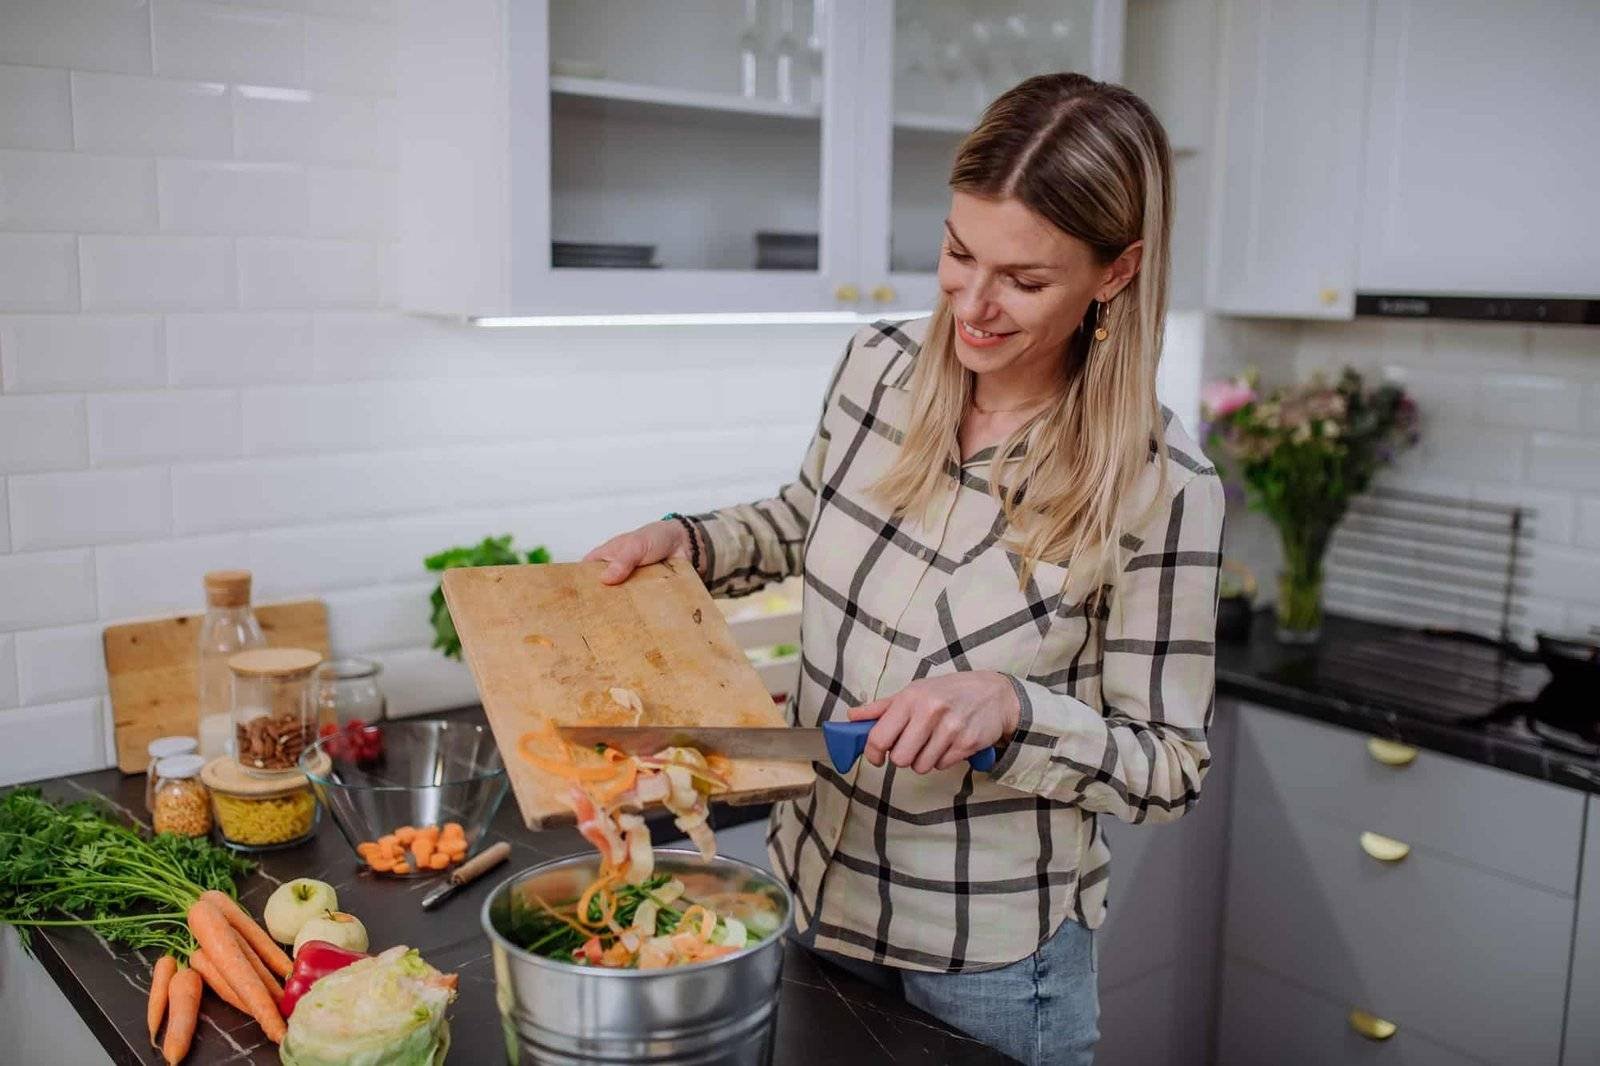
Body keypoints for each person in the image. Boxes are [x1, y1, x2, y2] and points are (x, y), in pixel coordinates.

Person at [584, 72, 1223, 1066]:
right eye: (958, 252)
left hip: (993, 967)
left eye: (1022, 278)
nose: (972, 303)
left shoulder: (1162, 485)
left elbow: (1168, 766)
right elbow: (807, 516)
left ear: (1114, 272)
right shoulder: (877, 369)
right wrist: (691, 544)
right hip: (813, 900)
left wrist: (1012, 708)